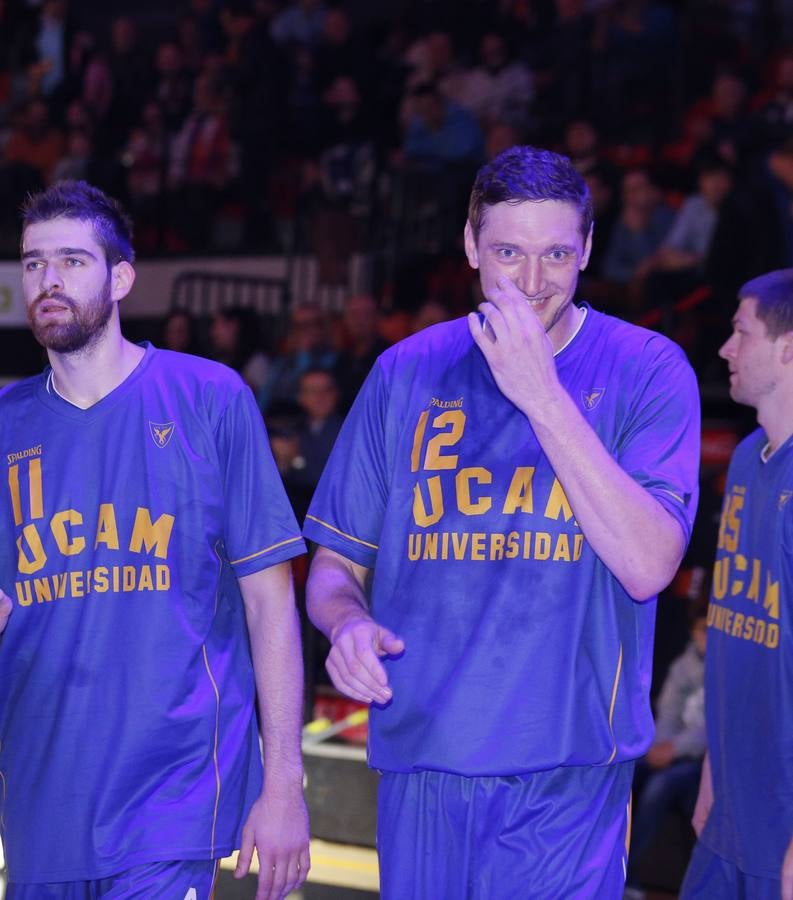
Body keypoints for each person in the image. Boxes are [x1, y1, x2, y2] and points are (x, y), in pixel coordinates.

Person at [303, 145, 700, 899]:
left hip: (566, 770)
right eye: (507, 252)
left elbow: (649, 564)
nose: (531, 281)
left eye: (556, 253)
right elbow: (334, 567)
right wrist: (346, 623)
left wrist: (541, 395)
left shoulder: (646, 368)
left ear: (586, 248)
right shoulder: (405, 372)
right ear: (468, 245)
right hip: (422, 755)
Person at [0, 180, 310, 899]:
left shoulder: (211, 398)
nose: (49, 280)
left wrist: (284, 784)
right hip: (42, 793)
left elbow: (270, 607)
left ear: (122, 277)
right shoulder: (7, 422)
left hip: (170, 796)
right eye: (35, 262)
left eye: (74, 261)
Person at [681, 269, 793, 900]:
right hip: (731, 805)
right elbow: (735, 632)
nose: (725, 348)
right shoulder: (750, 457)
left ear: (789, 346)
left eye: (740, 331)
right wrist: (711, 770)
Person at [625, 606, 707, 897]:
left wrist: (673, 749)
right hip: (669, 749)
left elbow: (713, 729)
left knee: (660, 787)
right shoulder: (684, 665)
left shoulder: (729, 670)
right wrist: (660, 745)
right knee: (627, 774)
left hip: (700, 762)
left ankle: (630, 878)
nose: (705, 638)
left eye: (711, 631)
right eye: (701, 630)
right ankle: (611, 866)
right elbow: (668, 711)